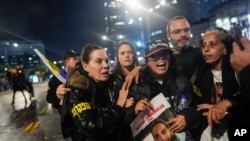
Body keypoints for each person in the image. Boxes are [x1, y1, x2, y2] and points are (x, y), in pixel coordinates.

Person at [126, 39, 200, 141]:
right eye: (154, 56)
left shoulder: (182, 79)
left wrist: (187, 118)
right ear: (147, 62)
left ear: (170, 57)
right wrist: (134, 110)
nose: (160, 58)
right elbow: (125, 119)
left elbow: (196, 110)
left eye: (165, 54)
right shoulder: (137, 84)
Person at [64, 44, 128, 141]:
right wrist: (119, 107)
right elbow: (91, 126)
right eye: (99, 61)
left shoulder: (115, 82)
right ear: (85, 66)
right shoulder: (78, 89)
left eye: (106, 61)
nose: (106, 65)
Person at [192, 27, 240, 141]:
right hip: (208, 133)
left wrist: (228, 105)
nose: (206, 49)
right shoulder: (198, 74)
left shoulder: (237, 72)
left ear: (224, 49)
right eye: (204, 45)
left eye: (212, 44)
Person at [110, 41, 140, 141]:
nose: (126, 55)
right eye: (122, 53)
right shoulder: (112, 79)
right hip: (124, 132)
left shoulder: (142, 74)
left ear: (134, 55)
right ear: (117, 57)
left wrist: (139, 68)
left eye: (130, 52)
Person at [166, 15, 204, 81]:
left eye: (186, 30)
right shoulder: (165, 60)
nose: (183, 34)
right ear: (169, 37)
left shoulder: (203, 54)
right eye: (177, 32)